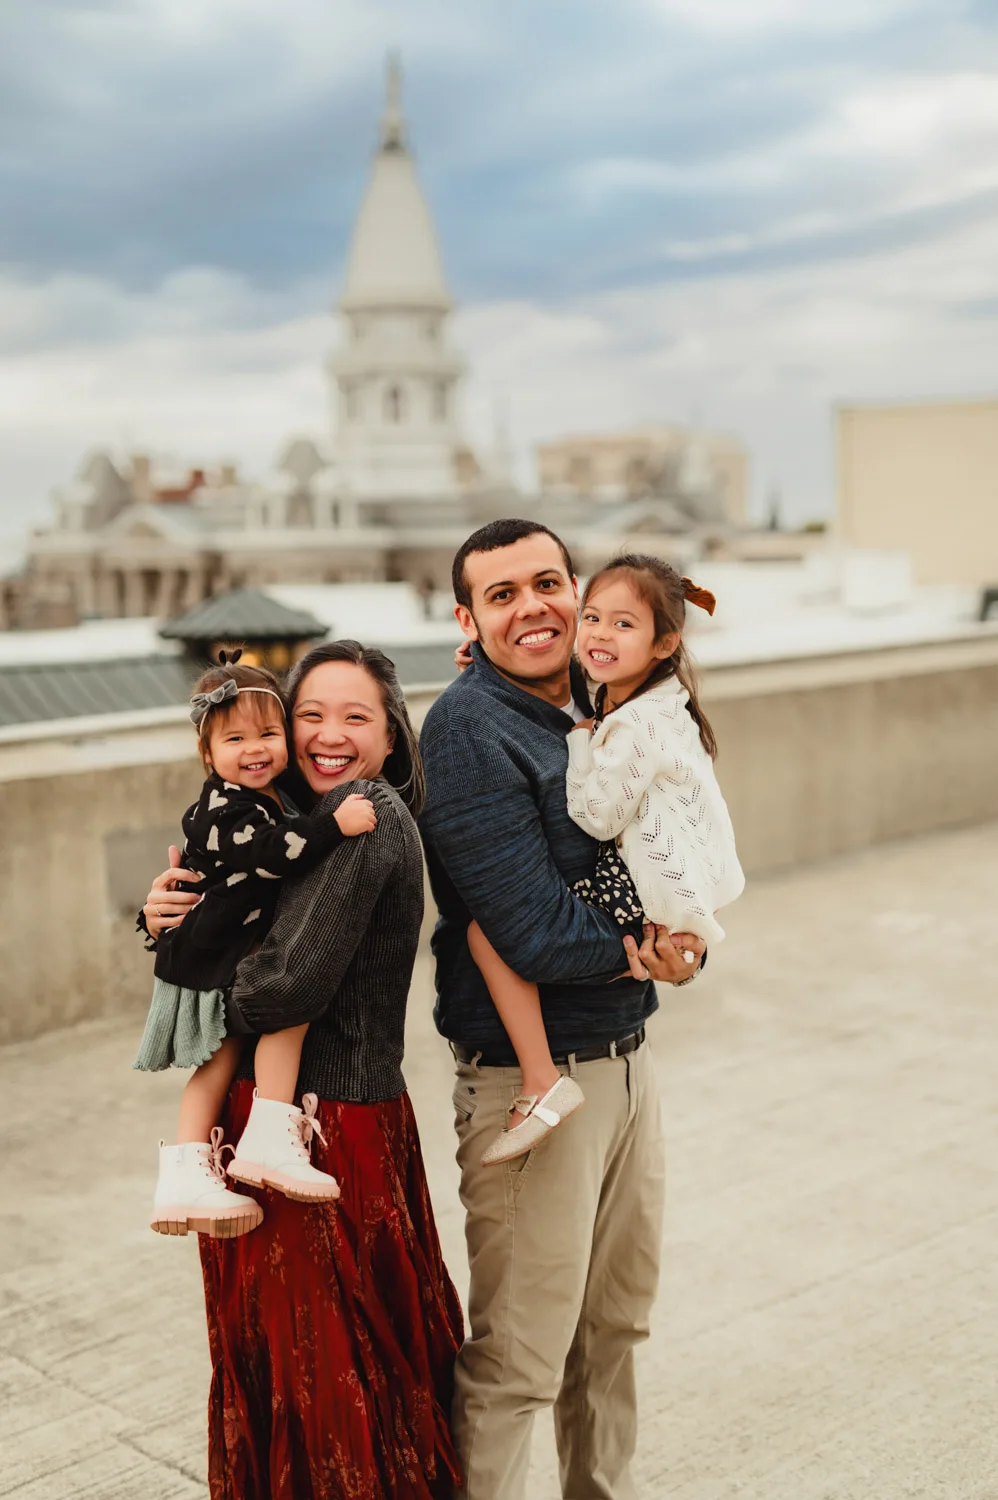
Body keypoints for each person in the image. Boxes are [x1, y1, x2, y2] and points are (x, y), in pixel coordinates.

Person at [419, 518, 707, 1500]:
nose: (532, 606)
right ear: (467, 619)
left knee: (614, 1334)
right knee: (521, 1365)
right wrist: (653, 950)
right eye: (500, 595)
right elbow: (532, 932)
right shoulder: (465, 730)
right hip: (527, 1087)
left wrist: (672, 940)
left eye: (546, 582)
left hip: (626, 1066)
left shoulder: (599, 700)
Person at [141, 640, 463, 1500]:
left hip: (326, 1129)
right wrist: (168, 915)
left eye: (355, 717)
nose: (327, 735)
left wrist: (195, 973)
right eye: (308, 715)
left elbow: (287, 982)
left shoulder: (362, 814)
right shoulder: (283, 814)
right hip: (286, 1126)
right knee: (296, 1360)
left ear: (391, 737)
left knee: (324, 1367)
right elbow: (234, 897)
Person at [468, 551, 745, 1164]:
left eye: (622, 625)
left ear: (665, 642)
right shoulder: (651, 700)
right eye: (594, 618)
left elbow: (597, 814)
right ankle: (544, 1078)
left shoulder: (627, 720)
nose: (598, 635)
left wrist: (578, 744)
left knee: (485, 936)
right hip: (664, 911)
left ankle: (542, 1084)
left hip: (642, 921)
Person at [136, 651, 376, 1236]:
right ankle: (267, 1132)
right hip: (214, 952)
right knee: (283, 1016)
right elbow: (273, 853)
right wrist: (331, 826)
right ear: (207, 754)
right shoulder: (229, 807)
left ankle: (188, 1174)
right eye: (236, 738)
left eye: (269, 733)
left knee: (221, 1061)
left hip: (218, 947)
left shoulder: (270, 794)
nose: (256, 749)